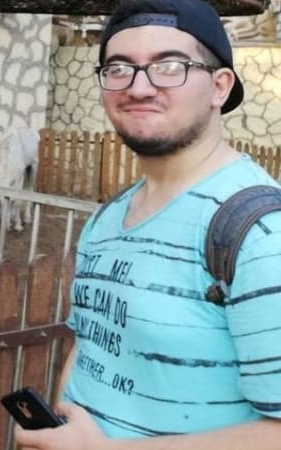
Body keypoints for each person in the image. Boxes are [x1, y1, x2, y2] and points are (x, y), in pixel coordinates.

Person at [14, 1, 281, 449]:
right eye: (119, 69)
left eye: (169, 66)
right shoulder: (108, 215)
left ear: (220, 86)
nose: (138, 87)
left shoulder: (258, 233)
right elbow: (93, 343)